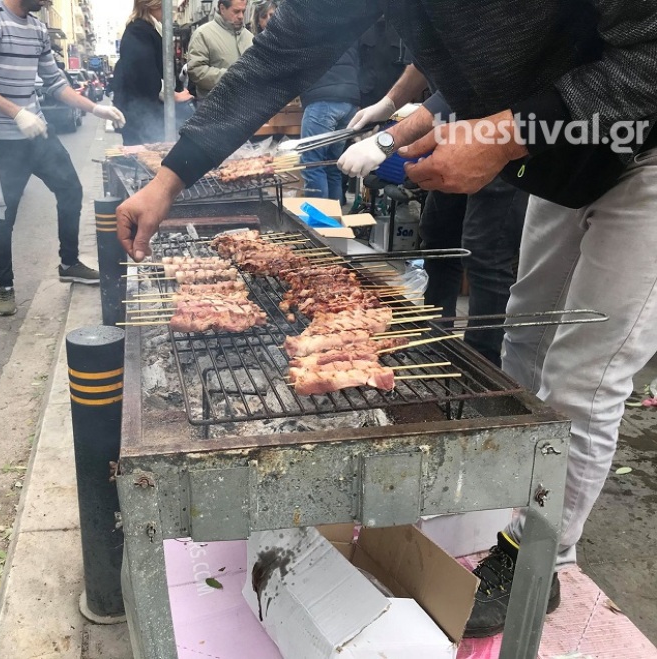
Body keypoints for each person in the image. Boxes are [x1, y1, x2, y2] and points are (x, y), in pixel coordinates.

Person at [115, 0, 657, 639]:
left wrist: (502, 136)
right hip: (562, 162)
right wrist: (171, 180)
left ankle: (541, 561)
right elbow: (277, 58)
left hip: (641, 144)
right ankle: (516, 516)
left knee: (583, 380)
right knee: (526, 341)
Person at [347, 65, 528, 366]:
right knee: (438, 237)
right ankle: (434, 339)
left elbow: (465, 81)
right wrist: (389, 103)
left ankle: (480, 363)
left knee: (485, 252)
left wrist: (388, 140)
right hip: (455, 133)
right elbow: (421, 63)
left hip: (505, 135)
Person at [0, 0, 126, 316]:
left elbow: (55, 83)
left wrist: (95, 108)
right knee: (4, 212)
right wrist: (17, 112)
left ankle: (69, 263)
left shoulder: (38, 29)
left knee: (71, 189)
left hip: (37, 130)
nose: (47, 1)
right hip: (2, 138)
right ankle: (5, 287)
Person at [113, 0, 194, 146]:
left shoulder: (148, 28)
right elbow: (144, 74)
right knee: (148, 154)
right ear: (155, 5)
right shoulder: (139, 30)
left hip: (146, 114)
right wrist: (172, 95)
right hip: (142, 117)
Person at [298, 42, 361, 202]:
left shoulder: (306, 30)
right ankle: (333, 216)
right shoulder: (345, 30)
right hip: (349, 100)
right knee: (332, 166)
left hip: (323, 99)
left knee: (312, 163)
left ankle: (318, 217)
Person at [186, 0, 253, 99]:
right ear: (222, 9)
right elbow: (196, 71)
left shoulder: (250, 37)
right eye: (236, 11)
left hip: (246, 104)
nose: (241, 16)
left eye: (243, 11)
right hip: (213, 104)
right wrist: (231, 77)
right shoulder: (202, 34)